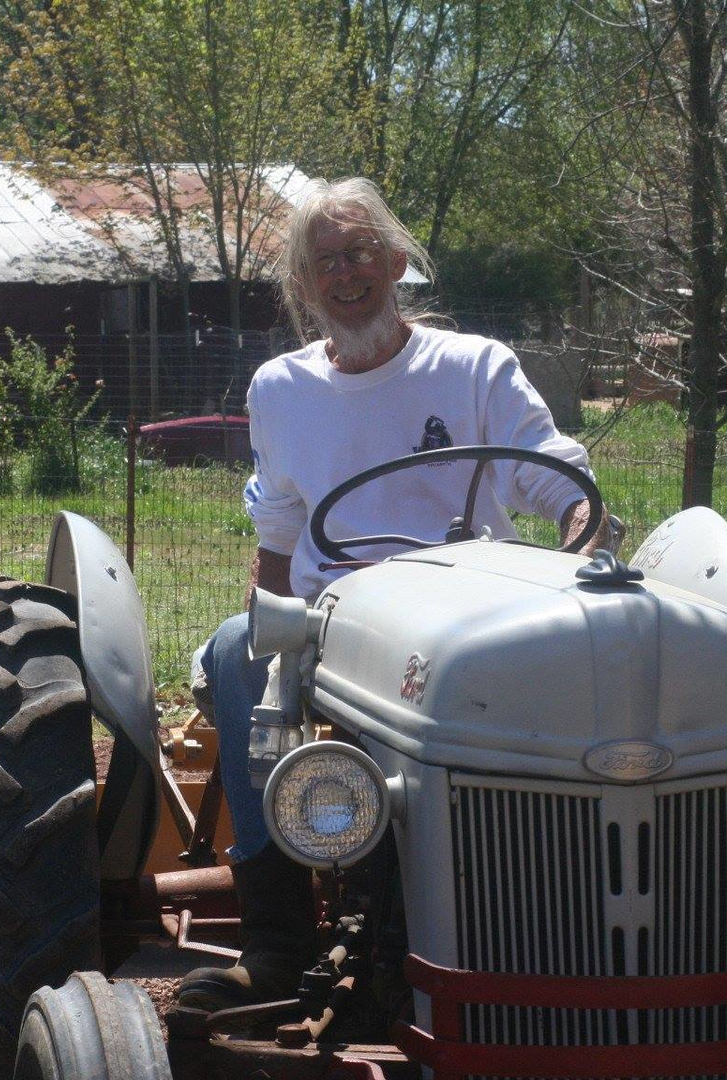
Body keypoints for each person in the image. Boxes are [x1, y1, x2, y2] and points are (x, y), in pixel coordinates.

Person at [176, 177, 612, 1011]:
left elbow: (563, 484)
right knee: (239, 650)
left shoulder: (475, 367)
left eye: (361, 253)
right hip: (334, 625)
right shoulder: (280, 389)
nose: (346, 276)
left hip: (472, 614)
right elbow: (277, 537)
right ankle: (276, 942)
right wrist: (271, 643)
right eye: (326, 263)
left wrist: (581, 549)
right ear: (303, 288)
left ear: (398, 258)